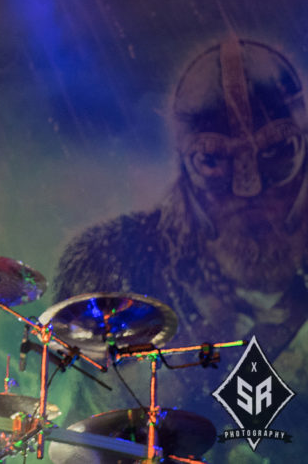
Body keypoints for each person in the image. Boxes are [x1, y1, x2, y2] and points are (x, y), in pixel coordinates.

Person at [52, 37, 308, 462]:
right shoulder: (113, 259)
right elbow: (115, 408)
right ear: (186, 163)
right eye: (214, 159)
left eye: (279, 151)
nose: (249, 186)